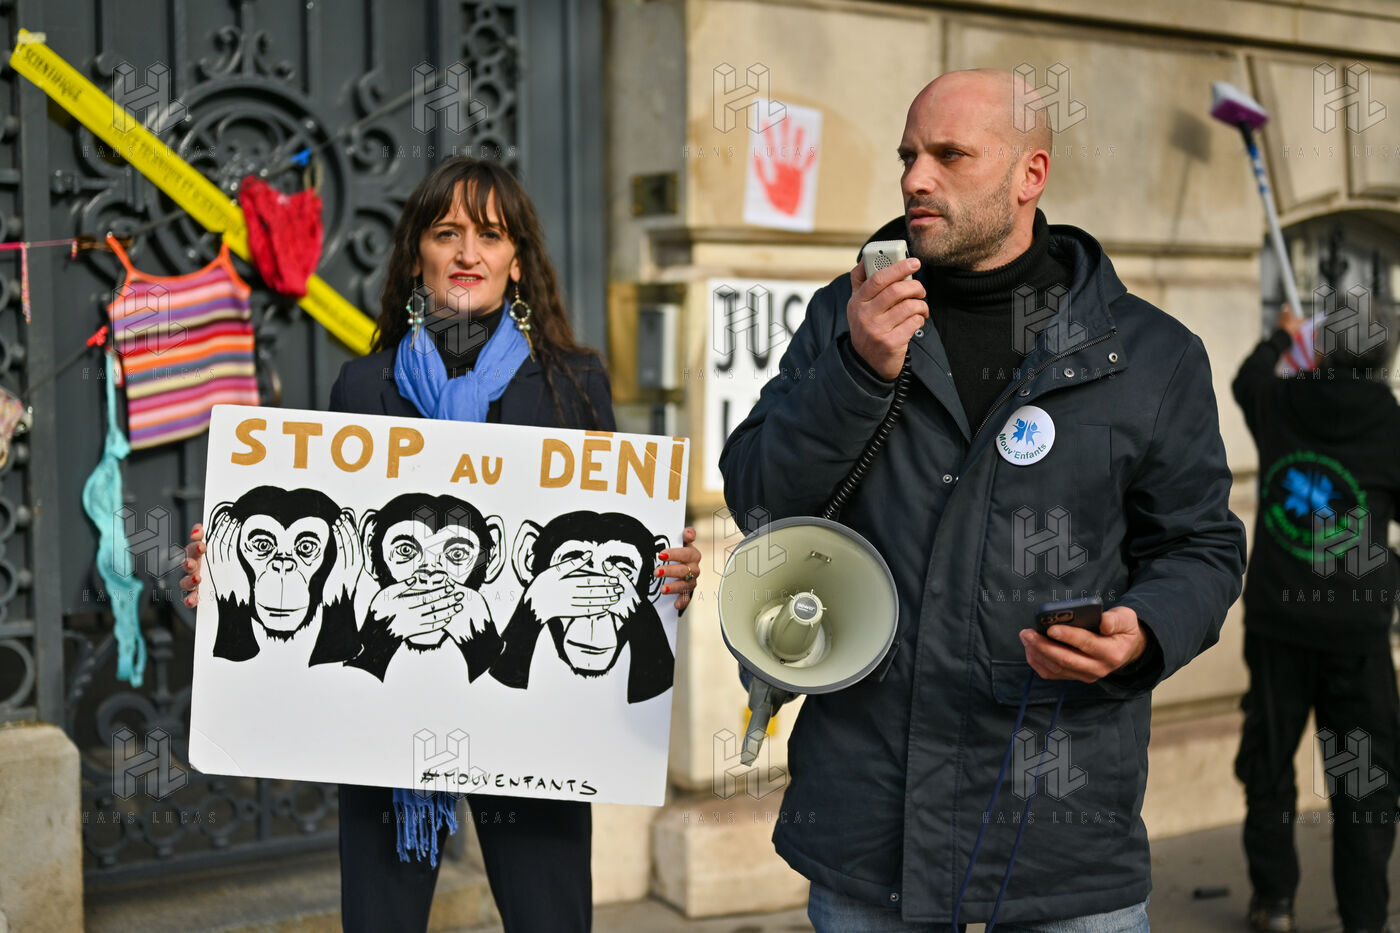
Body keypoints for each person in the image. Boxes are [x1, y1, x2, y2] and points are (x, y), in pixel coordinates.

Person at [718, 69, 1246, 931]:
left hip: (1060, 839)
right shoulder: (846, 316)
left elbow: (1202, 546)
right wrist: (856, 372)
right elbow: (758, 496)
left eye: (949, 155)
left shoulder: (1152, 353)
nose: (915, 178)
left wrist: (1146, 629)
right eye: (907, 156)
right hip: (871, 825)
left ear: (1030, 174)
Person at [179, 155, 703, 933]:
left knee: (550, 919)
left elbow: (614, 539)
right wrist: (228, 581)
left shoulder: (573, 383)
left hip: (538, 720)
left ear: (516, 261)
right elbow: (333, 557)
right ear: (416, 255)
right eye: (447, 232)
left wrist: (669, 573)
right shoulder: (364, 388)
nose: (467, 252)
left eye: (490, 235)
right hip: (387, 711)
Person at [1231, 302, 1400, 933]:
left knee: (1269, 766)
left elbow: (1247, 376)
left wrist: (1281, 337)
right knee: (1364, 781)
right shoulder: (1391, 422)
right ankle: (1364, 918)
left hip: (1278, 622)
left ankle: (1274, 902)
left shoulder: (1279, 400)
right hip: (1357, 631)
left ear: (1322, 350)